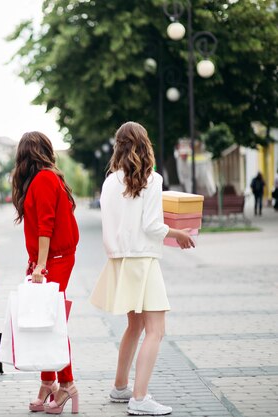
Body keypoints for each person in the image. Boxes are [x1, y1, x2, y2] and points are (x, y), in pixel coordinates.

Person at [89, 121, 195, 416]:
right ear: (144, 143)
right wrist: (179, 234)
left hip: (120, 261)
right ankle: (139, 397)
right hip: (143, 261)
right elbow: (151, 225)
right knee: (156, 331)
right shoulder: (152, 178)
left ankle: (121, 387)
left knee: (134, 326)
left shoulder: (110, 181)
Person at [11, 131, 80, 415]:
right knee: (46, 321)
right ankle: (49, 381)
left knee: (52, 323)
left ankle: (66, 384)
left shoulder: (45, 179)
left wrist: (40, 265)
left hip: (56, 259)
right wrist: (36, 262)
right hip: (52, 258)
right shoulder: (45, 178)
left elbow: (46, 226)